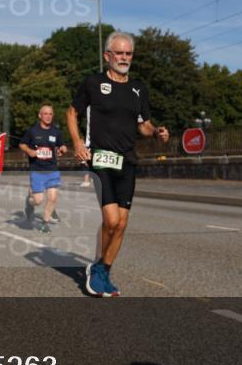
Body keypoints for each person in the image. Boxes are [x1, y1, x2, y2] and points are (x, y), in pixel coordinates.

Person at [67, 31, 169, 297]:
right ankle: (99, 268)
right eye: (119, 53)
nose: (124, 58)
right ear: (107, 55)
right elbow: (71, 112)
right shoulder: (92, 83)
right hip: (100, 157)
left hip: (128, 159)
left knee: (122, 223)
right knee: (111, 219)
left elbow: (143, 125)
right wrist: (78, 143)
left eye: (128, 54)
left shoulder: (138, 89)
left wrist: (156, 130)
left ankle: (102, 271)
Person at [19, 105, 68, 233]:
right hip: (37, 170)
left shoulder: (56, 131)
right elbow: (22, 144)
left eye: (50, 114)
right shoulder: (32, 131)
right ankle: (29, 204)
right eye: (45, 114)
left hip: (52, 169)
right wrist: (29, 151)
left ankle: (44, 223)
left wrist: (63, 149)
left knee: (52, 198)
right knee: (38, 200)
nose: (48, 116)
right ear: (40, 115)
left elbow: (62, 145)